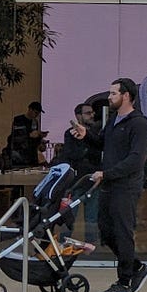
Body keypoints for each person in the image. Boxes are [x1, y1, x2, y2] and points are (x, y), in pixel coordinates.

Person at [71, 78, 147, 292]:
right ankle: (135, 266)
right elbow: (102, 144)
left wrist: (108, 173)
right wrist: (86, 135)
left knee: (122, 232)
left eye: (113, 93)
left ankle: (124, 282)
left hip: (125, 185)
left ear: (126, 96)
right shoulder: (115, 119)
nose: (109, 97)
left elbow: (136, 159)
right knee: (106, 231)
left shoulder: (138, 123)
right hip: (109, 184)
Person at [60, 102, 101, 242]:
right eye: (88, 113)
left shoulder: (95, 134)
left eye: (92, 112)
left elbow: (97, 154)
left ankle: (91, 247)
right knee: (69, 216)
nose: (92, 115)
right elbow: (71, 154)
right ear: (78, 116)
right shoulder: (70, 134)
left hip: (92, 180)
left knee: (92, 219)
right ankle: (63, 246)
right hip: (76, 181)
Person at [9, 100, 48, 167]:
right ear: (30, 109)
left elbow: (34, 138)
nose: (36, 115)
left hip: (32, 155)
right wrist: (29, 135)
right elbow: (15, 137)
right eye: (35, 113)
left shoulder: (35, 122)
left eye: (38, 114)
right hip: (19, 155)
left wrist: (40, 138)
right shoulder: (19, 120)